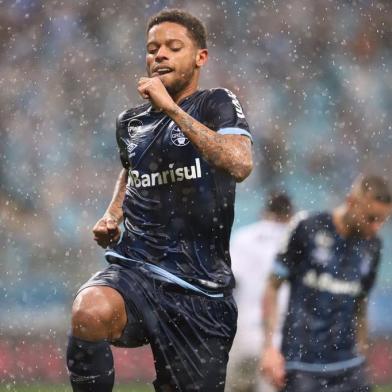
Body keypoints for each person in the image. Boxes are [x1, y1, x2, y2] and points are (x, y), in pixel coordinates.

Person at [66, 9, 253, 392]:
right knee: (90, 311)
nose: (160, 55)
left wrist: (170, 108)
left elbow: (239, 163)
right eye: (152, 49)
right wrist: (112, 213)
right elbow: (130, 167)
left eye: (173, 47)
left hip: (201, 290)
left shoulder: (216, 102)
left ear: (200, 57)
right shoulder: (130, 122)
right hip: (138, 269)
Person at [260, 175, 392, 392]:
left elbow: (361, 303)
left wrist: (362, 352)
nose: (376, 227)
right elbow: (272, 287)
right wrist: (269, 349)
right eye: (371, 218)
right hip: (302, 364)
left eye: (382, 221)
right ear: (351, 202)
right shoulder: (307, 228)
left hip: (348, 364)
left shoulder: (372, 247)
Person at [227, 192, 295, 392]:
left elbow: (229, 283)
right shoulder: (296, 241)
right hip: (277, 337)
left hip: (243, 332)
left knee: (232, 388)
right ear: (290, 215)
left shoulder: (243, 237)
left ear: (265, 211)